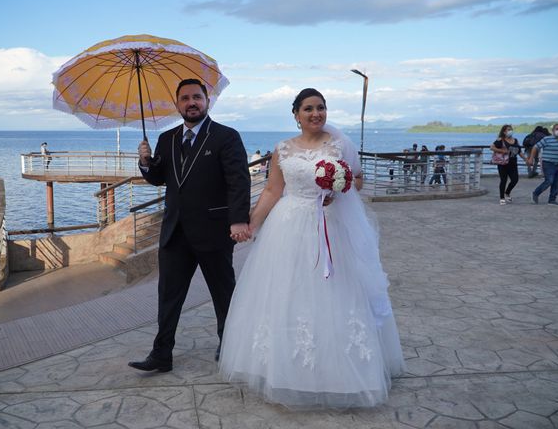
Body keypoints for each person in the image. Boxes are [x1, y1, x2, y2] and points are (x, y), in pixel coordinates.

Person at [219, 88, 405, 409]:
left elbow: (357, 179)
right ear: (296, 115)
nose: (315, 113)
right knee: (289, 294)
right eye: (308, 109)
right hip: (288, 227)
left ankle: (340, 370)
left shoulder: (338, 144)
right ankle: (288, 369)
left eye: (320, 107)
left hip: (330, 228)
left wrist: (341, 187)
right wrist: (253, 224)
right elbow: (273, 191)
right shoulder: (282, 150)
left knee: (335, 294)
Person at [129, 78, 251, 372]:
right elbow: (160, 177)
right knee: (168, 296)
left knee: (223, 294)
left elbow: (238, 180)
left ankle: (231, 344)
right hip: (175, 233)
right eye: (185, 98)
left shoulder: (226, 136)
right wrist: (146, 162)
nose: (191, 102)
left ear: (207, 101)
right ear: (177, 104)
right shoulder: (167, 139)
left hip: (214, 231)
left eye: (197, 97)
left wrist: (238, 220)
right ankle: (161, 354)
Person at [529, 123, 558, 205]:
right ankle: (535, 193)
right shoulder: (547, 139)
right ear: (553, 131)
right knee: (549, 181)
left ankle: (552, 200)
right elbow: (535, 147)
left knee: (556, 183)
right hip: (548, 163)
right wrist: (531, 158)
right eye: (557, 129)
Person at [490, 125, 527, 205]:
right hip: (503, 163)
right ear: (504, 132)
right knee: (503, 180)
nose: (510, 131)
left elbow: (519, 152)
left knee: (515, 179)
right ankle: (502, 197)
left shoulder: (516, 140)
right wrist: (502, 151)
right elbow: (492, 147)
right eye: (508, 130)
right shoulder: (501, 140)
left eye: (511, 129)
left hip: (513, 163)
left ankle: (507, 192)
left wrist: (526, 159)